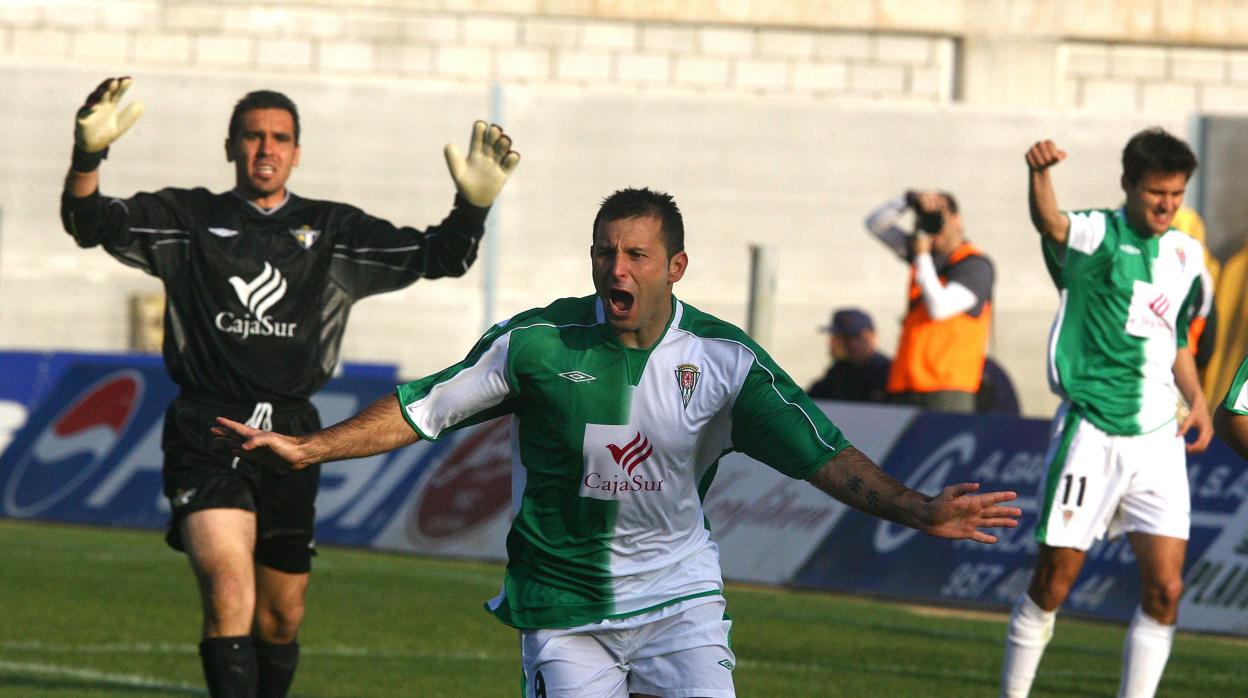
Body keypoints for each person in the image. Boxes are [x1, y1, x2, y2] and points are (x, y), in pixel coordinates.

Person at [214, 187, 1022, 698]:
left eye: (635, 254)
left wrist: (919, 509)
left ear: (675, 267)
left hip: (680, 602)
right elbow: (424, 407)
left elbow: (825, 456)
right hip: (565, 610)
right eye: (605, 252)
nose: (616, 268)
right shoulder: (536, 343)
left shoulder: (724, 362)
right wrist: (311, 447)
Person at [61, 77, 520, 698]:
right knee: (229, 591)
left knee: (281, 618)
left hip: (294, 436)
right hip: (209, 428)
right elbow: (88, 221)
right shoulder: (187, 220)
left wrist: (473, 209)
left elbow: (441, 256)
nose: (265, 148)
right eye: (252, 136)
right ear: (231, 146)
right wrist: (87, 157)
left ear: (298, 152)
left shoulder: (331, 231)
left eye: (279, 138)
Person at [999, 129, 1214, 698]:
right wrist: (1039, 174)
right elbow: (1051, 223)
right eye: (1155, 193)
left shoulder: (1188, 257)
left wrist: (1199, 401)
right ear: (1128, 186)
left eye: (1176, 194)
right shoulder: (1096, 235)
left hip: (1159, 439)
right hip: (1091, 430)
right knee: (1053, 584)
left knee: (1166, 590)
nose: (1167, 205)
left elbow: (1180, 342)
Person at [865, 189, 995, 413]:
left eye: (939, 218)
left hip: (947, 387)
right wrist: (907, 201)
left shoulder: (975, 265)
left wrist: (923, 257)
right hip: (906, 383)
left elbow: (940, 308)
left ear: (957, 220)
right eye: (928, 220)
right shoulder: (923, 253)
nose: (935, 231)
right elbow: (875, 224)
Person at [807, 307, 891, 403]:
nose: (837, 343)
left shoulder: (889, 374)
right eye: (837, 337)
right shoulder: (838, 372)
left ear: (871, 337)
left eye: (850, 337)